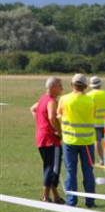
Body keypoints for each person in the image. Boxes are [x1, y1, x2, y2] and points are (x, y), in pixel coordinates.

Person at [57, 73, 97, 208]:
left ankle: (71, 201)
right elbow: (94, 116)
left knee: (70, 171)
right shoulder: (91, 101)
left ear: (72, 85)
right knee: (88, 172)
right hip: (87, 141)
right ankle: (90, 201)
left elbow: (59, 115)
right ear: (85, 86)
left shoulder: (64, 99)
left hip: (69, 141)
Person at [30, 76, 65, 204]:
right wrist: (59, 132)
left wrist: (40, 121)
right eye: (60, 85)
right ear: (52, 87)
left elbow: (33, 108)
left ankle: (56, 196)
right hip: (51, 139)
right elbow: (51, 117)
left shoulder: (42, 99)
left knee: (48, 166)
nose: (62, 88)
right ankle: (45, 195)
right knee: (53, 168)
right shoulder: (51, 101)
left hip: (40, 137)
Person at [87, 76, 105, 165]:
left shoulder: (89, 95)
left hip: (95, 123)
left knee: (97, 141)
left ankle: (102, 160)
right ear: (100, 84)